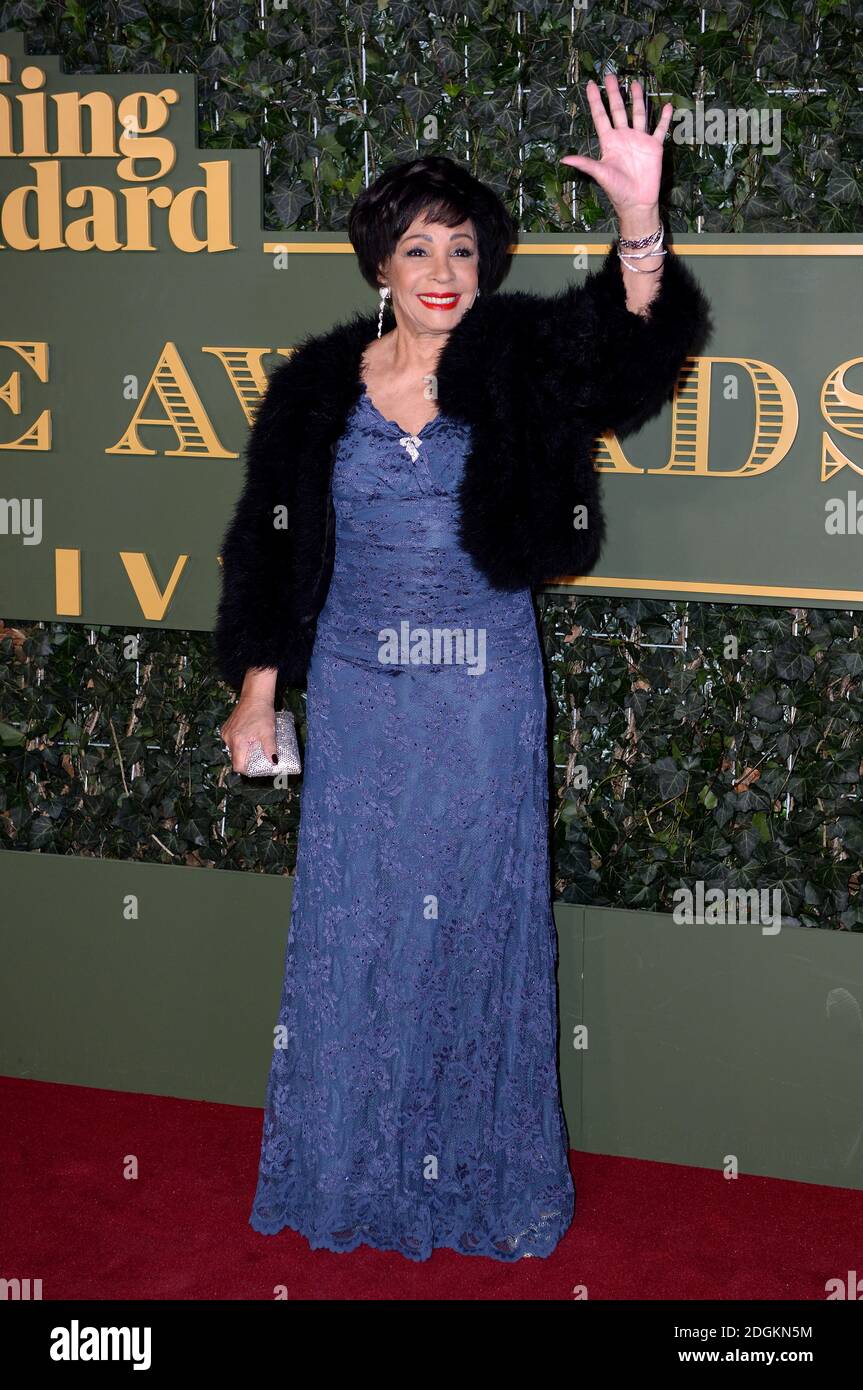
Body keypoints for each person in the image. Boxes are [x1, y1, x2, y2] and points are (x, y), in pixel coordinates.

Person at [214, 75, 712, 1261]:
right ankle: (352, 1168)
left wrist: (638, 227)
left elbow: (633, 362)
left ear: (487, 263)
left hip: (479, 683)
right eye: (415, 246)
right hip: (354, 687)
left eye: (464, 246)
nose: (443, 267)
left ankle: (482, 1179)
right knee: (360, 924)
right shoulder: (313, 389)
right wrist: (256, 688)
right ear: (376, 265)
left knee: (475, 922)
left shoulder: (519, 358)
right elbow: (267, 546)